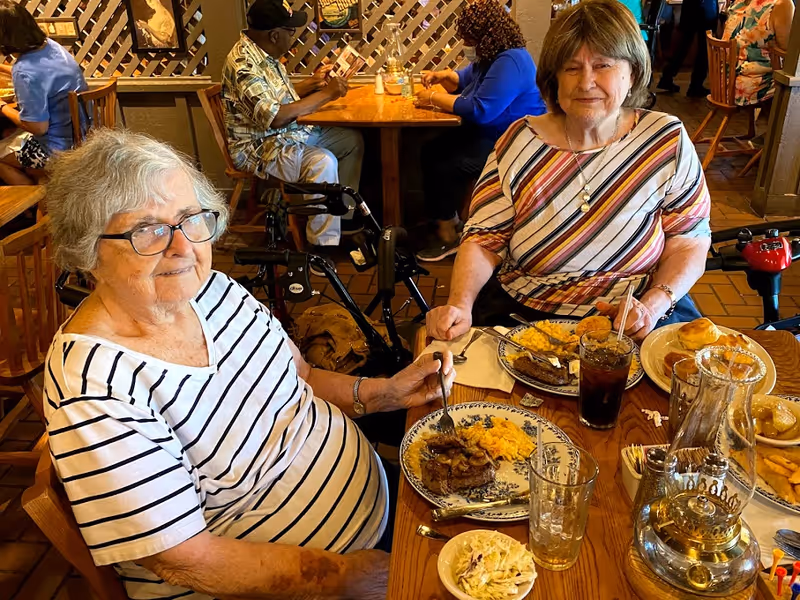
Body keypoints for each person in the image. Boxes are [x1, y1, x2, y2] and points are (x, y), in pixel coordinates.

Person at [44, 129, 455, 600]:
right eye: (148, 231)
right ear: (87, 250)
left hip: (381, 512)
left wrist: (386, 393)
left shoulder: (214, 290)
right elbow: (185, 559)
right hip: (305, 582)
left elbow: (301, 377)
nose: (183, 248)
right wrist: (346, 578)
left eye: (189, 219)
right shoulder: (95, 387)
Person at [427, 0, 712, 344]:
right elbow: (484, 238)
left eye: (603, 65)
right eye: (572, 68)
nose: (586, 82)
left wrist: (654, 303)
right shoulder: (518, 140)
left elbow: (689, 239)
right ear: (554, 78)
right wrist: (460, 304)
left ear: (633, 71)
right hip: (525, 311)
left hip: (635, 311)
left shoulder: (665, 140)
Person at [413, 0, 547, 262]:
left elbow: (480, 109)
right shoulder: (492, 58)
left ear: (487, 35)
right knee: (431, 149)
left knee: (445, 163)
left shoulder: (511, 60)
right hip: (490, 133)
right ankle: (447, 219)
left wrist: (432, 98)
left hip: (512, 142)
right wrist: (442, 76)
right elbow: (463, 79)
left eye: (470, 38)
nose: (467, 44)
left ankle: (449, 236)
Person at [221, 0, 362, 248]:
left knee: (350, 141)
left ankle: (343, 218)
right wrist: (328, 94)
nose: (293, 37)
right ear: (275, 35)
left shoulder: (263, 52)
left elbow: (270, 98)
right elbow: (275, 117)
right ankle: (322, 246)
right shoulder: (244, 65)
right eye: (291, 32)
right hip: (260, 147)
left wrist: (313, 84)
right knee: (323, 161)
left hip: (287, 135)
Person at [0, 0, 87, 185]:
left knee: (1, 155)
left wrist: (3, 107)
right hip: (81, 136)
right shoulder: (51, 46)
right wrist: (3, 68)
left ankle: (35, 202)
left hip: (56, 150)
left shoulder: (24, 70)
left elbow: (38, 128)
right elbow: (41, 75)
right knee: (10, 134)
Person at [722, 0, 794, 106]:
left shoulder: (739, 2)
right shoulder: (781, 4)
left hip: (721, 80)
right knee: (793, 81)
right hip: (742, 86)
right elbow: (789, 51)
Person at [657, 0, 719, 96]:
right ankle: (695, 86)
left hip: (691, 8)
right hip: (704, 8)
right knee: (704, 49)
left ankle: (667, 77)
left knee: (683, 45)